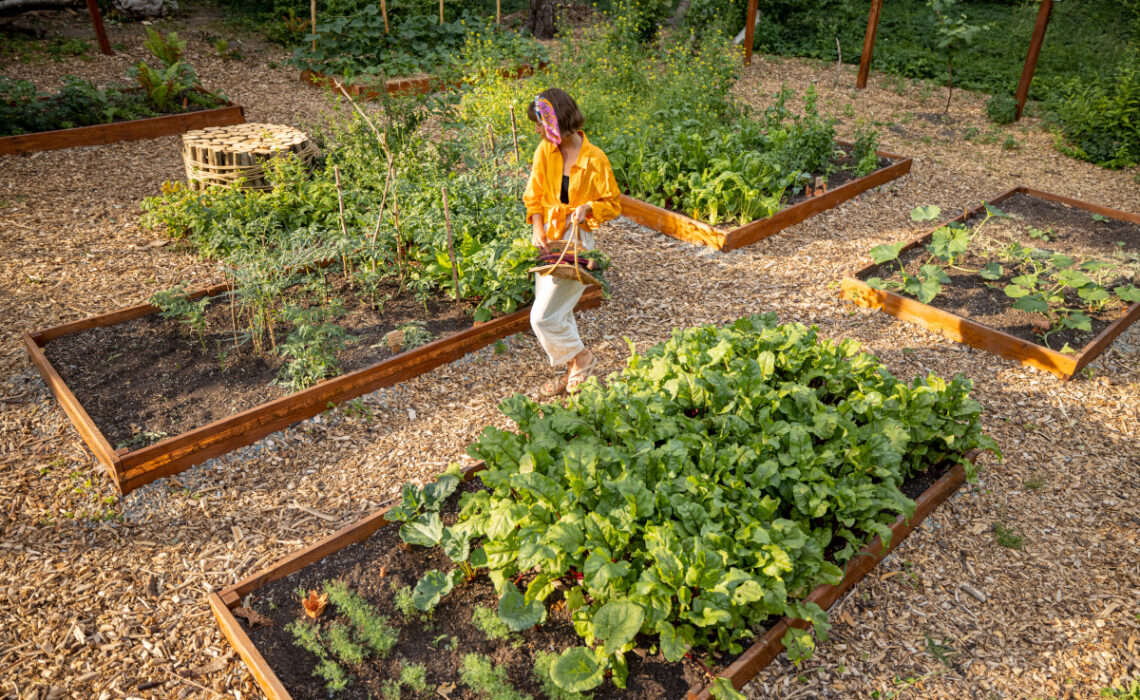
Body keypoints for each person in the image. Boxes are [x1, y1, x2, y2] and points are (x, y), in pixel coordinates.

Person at [524, 88, 621, 396]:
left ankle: (581, 357)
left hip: (575, 240)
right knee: (559, 312)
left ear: (557, 121)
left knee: (541, 317)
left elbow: (614, 204)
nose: (537, 129)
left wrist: (590, 206)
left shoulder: (595, 159)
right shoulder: (545, 150)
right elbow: (534, 196)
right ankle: (572, 370)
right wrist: (538, 228)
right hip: (548, 239)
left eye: (540, 122)